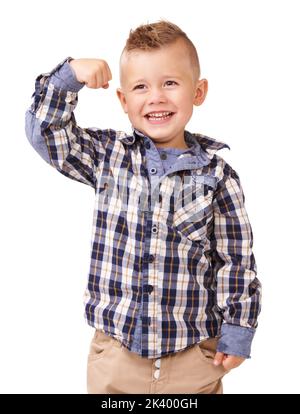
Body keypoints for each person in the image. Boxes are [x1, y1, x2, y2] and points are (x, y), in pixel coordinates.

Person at [25, 19, 262, 394]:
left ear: (198, 91)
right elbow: (48, 136)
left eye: (170, 83)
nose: (156, 97)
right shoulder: (109, 157)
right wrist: (68, 77)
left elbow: (235, 260)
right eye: (140, 87)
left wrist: (238, 330)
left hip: (193, 356)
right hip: (116, 357)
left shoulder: (219, 176)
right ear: (123, 101)